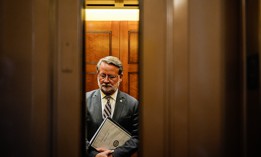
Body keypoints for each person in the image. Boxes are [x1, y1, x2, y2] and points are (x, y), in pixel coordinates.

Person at [86, 56, 139, 157]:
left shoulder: (133, 104)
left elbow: (137, 137)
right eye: (103, 75)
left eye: (111, 77)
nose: (106, 81)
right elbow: (77, 134)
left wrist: (114, 154)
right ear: (97, 75)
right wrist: (95, 155)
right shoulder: (84, 101)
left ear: (121, 77)